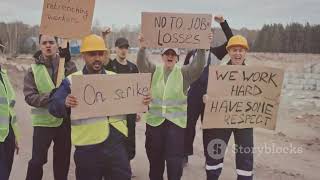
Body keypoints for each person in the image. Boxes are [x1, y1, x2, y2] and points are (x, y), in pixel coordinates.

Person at [48, 34, 151, 180]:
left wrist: (143, 100)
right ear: (83, 55)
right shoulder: (72, 81)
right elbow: (53, 105)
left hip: (116, 147)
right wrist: (64, 102)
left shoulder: (114, 78)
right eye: (92, 54)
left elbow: (133, 98)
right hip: (88, 149)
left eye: (100, 54)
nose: (97, 58)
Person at [137, 31, 212, 180]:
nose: (170, 56)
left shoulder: (184, 73)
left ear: (177, 58)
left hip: (175, 127)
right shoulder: (154, 70)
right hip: (154, 125)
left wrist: (202, 48)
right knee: (155, 163)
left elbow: (198, 67)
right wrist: (142, 48)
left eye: (173, 54)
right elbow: (141, 64)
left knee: (174, 164)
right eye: (167, 53)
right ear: (162, 56)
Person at [24, 34, 77, 180]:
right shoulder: (33, 70)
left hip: (63, 122)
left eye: (51, 42)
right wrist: (52, 96)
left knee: (62, 162)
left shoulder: (66, 65)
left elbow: (76, 86)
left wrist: (69, 63)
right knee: (37, 161)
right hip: (43, 123)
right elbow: (29, 97)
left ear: (57, 44)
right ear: (40, 46)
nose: (48, 45)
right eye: (44, 43)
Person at [183, 15, 233, 166]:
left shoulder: (217, 52)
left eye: (208, 34)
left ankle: (209, 159)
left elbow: (231, 40)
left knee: (210, 128)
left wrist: (223, 23)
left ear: (211, 37)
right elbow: (185, 75)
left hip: (210, 95)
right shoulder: (191, 54)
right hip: (193, 95)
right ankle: (184, 156)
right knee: (188, 126)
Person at [203, 35, 253, 180]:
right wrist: (207, 98)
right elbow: (209, 93)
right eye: (234, 50)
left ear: (245, 52)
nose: (237, 53)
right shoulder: (218, 71)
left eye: (241, 50)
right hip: (221, 120)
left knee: (245, 156)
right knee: (215, 153)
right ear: (228, 52)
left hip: (244, 121)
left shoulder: (254, 74)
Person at [102, 32, 139, 172]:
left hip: (129, 111)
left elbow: (137, 90)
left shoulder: (133, 68)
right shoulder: (111, 66)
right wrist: (104, 38)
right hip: (114, 111)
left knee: (130, 138)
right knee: (116, 138)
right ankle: (114, 166)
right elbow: (104, 56)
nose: (123, 50)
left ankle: (127, 165)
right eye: (120, 47)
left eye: (126, 48)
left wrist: (138, 109)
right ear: (116, 49)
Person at [0, 65, 19, 180]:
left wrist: (15, 135)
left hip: (7, 133)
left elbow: (9, 108)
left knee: (5, 173)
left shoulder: (3, 74)